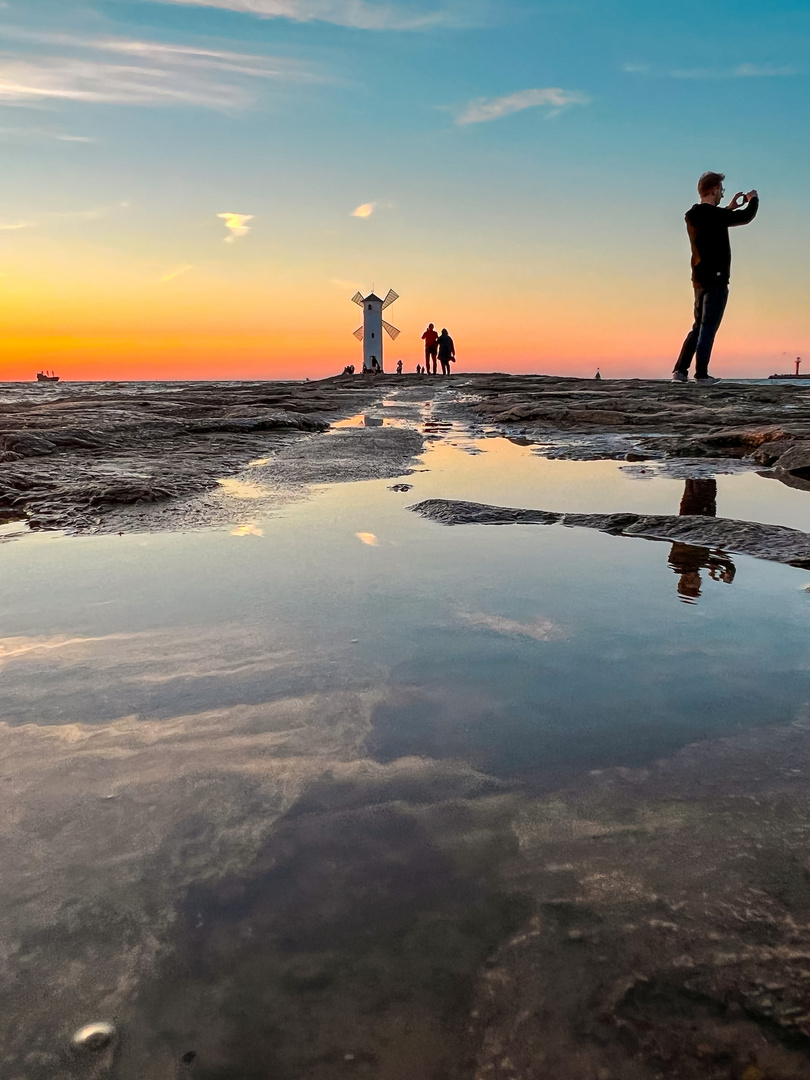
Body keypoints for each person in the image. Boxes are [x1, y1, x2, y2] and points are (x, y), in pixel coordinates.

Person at [672, 171, 758, 386]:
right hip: (717, 278)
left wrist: (728, 208)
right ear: (714, 190)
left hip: (699, 278)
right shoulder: (715, 217)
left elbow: (715, 218)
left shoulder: (692, 215)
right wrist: (753, 199)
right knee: (709, 326)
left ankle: (680, 371)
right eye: (721, 189)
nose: (722, 193)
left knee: (698, 326)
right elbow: (745, 217)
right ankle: (701, 375)